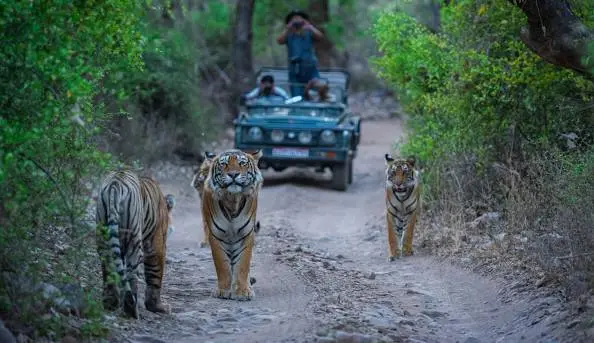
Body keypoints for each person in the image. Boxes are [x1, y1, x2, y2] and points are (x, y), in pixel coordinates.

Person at [276, 10, 324, 97]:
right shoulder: (288, 34)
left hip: (310, 67)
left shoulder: (309, 32)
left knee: (320, 87)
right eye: (294, 20)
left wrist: (309, 26)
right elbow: (279, 41)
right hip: (295, 69)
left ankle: (313, 98)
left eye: (299, 19)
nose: (297, 22)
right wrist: (288, 28)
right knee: (297, 95)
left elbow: (320, 37)